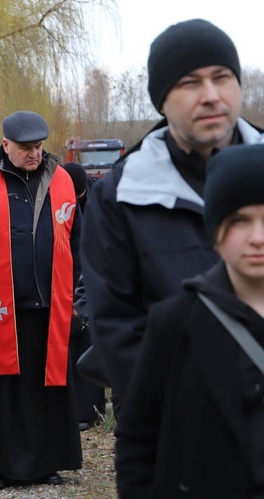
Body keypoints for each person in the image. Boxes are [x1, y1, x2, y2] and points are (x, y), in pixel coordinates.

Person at [81, 19, 264, 417]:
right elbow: (115, 328)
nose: (211, 95)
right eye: (190, 83)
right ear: (161, 99)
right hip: (177, 435)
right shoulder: (120, 196)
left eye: (222, 77)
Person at [116, 144, 264, 497]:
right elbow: (139, 438)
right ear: (215, 232)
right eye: (240, 220)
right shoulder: (175, 322)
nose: (257, 237)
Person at [0, 111, 82, 490]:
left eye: (39, 147)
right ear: (5, 144)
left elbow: (76, 240)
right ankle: (1, 466)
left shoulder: (60, 179)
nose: (35, 155)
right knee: (3, 391)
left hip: (51, 305)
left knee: (48, 388)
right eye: (26, 149)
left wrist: (75, 293)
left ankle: (48, 462)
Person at [62, 162, 105, 430]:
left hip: (95, 275)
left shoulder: (100, 196)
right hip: (65, 271)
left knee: (90, 339)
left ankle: (91, 409)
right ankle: (70, 408)